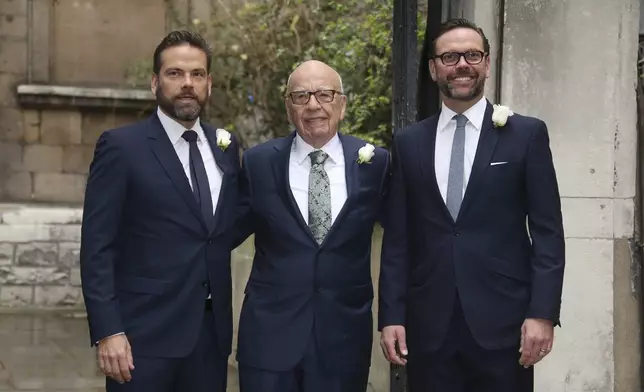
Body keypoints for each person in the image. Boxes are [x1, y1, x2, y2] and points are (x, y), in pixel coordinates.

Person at [378, 18, 565, 392]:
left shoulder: (526, 135)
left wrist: (542, 313)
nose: (462, 64)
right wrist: (392, 315)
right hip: (429, 326)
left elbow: (548, 234)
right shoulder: (409, 142)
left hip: (504, 326)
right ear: (433, 68)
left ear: (487, 62)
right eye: (450, 56)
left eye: (472, 55)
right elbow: (398, 239)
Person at [79, 30, 241, 392]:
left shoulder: (225, 147)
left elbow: (225, 227)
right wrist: (108, 330)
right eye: (175, 73)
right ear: (155, 82)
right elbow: (97, 247)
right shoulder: (121, 148)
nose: (188, 84)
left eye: (197, 74)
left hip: (209, 340)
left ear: (209, 84)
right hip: (141, 340)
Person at [233, 60, 390, 392]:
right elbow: (220, 234)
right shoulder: (258, 163)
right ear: (289, 107)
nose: (313, 105)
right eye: (301, 96)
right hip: (269, 342)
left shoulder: (375, 163)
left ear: (343, 104)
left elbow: (404, 242)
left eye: (325, 94)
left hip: (343, 341)